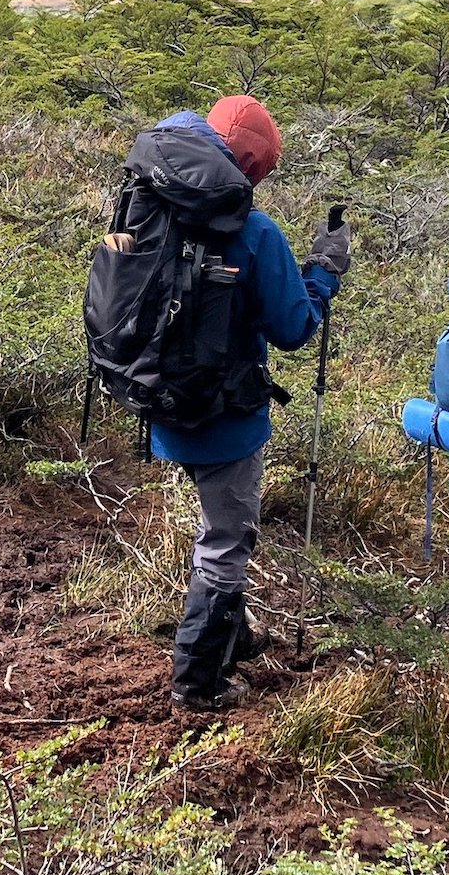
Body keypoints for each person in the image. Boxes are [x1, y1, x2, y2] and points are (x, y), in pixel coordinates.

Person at [146, 96, 348, 712]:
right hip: (224, 417)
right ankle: (198, 682)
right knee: (227, 541)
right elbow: (294, 327)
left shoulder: (149, 205)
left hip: (159, 400)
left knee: (218, 526)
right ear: (255, 166)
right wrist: (324, 270)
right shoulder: (254, 233)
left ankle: (231, 637)